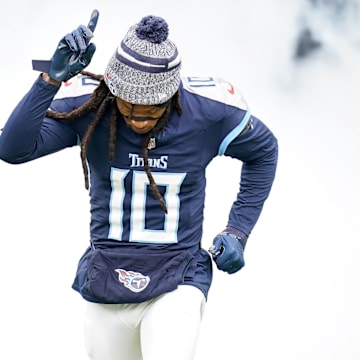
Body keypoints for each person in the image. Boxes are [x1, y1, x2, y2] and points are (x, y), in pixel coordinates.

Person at [0, 9, 278, 360]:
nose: (137, 119)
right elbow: (11, 149)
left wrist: (239, 230)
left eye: (151, 110)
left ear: (172, 96)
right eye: (128, 108)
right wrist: (48, 81)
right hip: (107, 273)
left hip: (179, 274)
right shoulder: (91, 107)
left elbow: (264, 152)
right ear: (112, 92)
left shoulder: (210, 113)